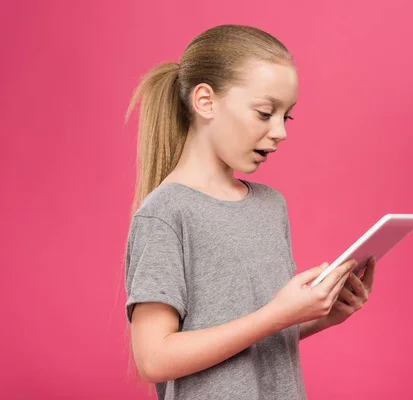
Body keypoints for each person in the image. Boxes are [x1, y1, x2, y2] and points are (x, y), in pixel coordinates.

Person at [123, 24, 376, 400]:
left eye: (286, 117)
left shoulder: (270, 206)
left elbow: (253, 336)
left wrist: (318, 316)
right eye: (264, 113)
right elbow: (154, 358)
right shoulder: (165, 214)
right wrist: (277, 315)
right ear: (205, 101)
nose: (280, 132)